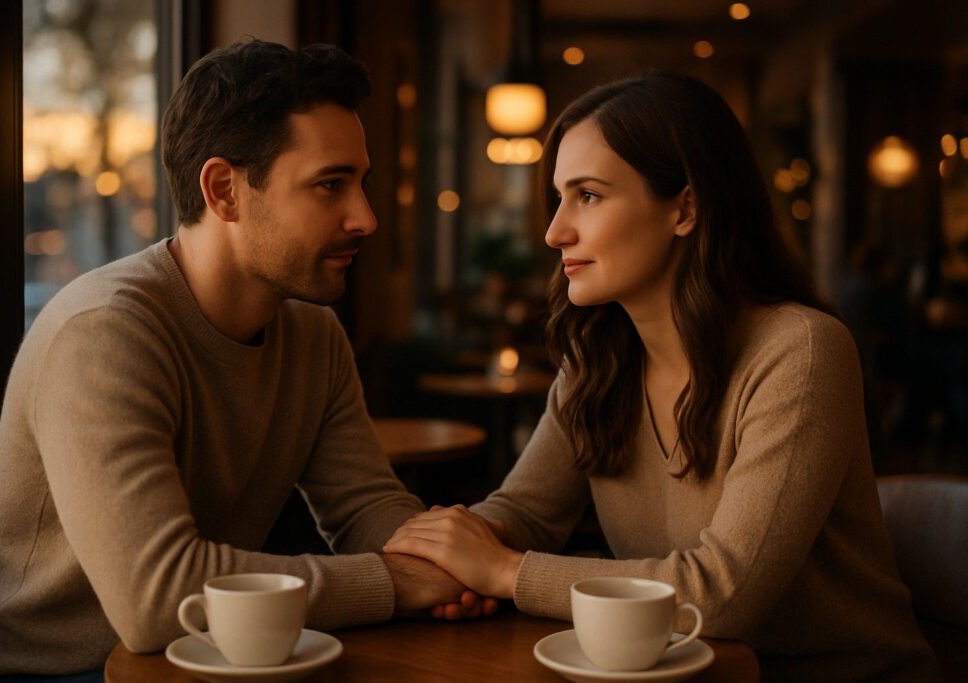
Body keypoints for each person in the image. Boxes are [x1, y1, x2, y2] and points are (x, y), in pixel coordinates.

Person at [0, 41, 486, 682]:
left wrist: (447, 565)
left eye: (361, 184)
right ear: (225, 190)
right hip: (45, 673)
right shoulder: (105, 333)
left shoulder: (314, 336)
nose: (364, 217)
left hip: (203, 657)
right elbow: (157, 600)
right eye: (330, 185)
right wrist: (394, 582)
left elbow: (367, 509)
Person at [384, 72, 940, 680]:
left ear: (685, 207)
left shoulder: (799, 352)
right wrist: (447, 554)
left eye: (588, 196)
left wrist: (499, 571)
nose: (554, 231)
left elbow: (722, 596)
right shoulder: (596, 359)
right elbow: (524, 511)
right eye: (559, 198)